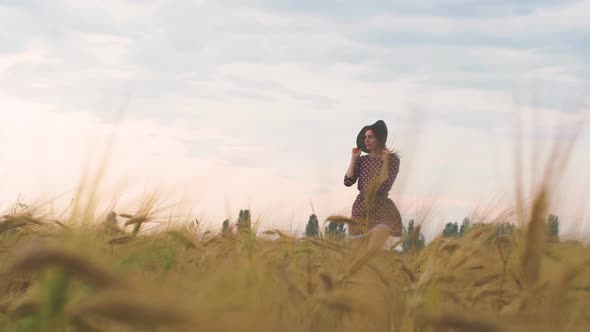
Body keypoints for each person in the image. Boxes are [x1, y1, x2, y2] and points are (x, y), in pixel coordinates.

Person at [344, 120, 403, 250]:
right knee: (357, 255)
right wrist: (354, 158)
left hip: (381, 210)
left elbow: (384, 186)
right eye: (365, 137)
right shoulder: (362, 160)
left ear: (379, 139)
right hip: (360, 209)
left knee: (373, 252)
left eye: (370, 137)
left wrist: (385, 161)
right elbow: (347, 181)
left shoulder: (393, 160)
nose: (366, 140)